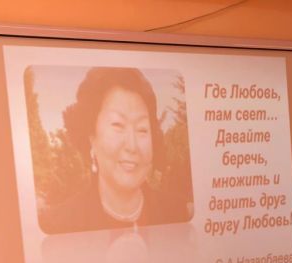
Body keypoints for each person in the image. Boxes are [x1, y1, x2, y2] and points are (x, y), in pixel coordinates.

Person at [43, 67, 190, 234]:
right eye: (118, 125)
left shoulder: (180, 214)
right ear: (92, 137)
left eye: (142, 129)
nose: (132, 146)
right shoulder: (58, 226)